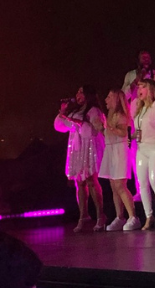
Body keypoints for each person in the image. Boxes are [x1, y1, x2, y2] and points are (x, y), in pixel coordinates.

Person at [54, 85, 106, 232]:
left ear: (88, 95)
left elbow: (94, 130)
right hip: (77, 150)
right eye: (77, 91)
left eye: (81, 92)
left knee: (91, 181)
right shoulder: (75, 111)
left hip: (88, 148)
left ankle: (100, 215)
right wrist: (63, 113)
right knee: (79, 182)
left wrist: (77, 122)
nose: (78, 94)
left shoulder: (93, 110)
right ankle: (83, 215)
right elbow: (60, 126)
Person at [132, 79, 155, 230]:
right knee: (142, 183)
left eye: (143, 87)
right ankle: (149, 216)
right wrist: (134, 135)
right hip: (142, 148)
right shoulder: (141, 109)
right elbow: (139, 129)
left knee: (154, 179)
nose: (139, 89)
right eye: (138, 87)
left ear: (150, 89)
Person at [101, 89, 140, 231]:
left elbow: (123, 132)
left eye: (109, 97)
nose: (106, 99)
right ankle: (120, 216)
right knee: (113, 185)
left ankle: (133, 217)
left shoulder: (120, 115)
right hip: (110, 149)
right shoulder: (110, 115)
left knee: (120, 184)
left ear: (116, 99)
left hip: (119, 149)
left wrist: (109, 127)